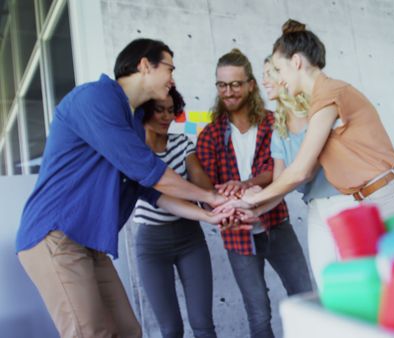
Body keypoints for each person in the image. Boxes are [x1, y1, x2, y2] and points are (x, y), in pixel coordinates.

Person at [15, 38, 234, 338]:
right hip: (55, 234)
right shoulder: (94, 99)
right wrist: (211, 197)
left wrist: (208, 216)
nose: (172, 79)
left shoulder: (130, 123)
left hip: (88, 242)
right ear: (145, 65)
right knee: (90, 332)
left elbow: (152, 192)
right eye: (169, 68)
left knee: (128, 331)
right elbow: (150, 172)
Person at [223, 19, 394, 230]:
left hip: (388, 196)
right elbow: (295, 175)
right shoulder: (321, 99)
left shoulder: (329, 95)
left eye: (279, 70)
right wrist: (256, 207)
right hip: (372, 199)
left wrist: (252, 199)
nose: (280, 80)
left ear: (296, 62)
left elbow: (300, 170)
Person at [196, 48, 312, 338]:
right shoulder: (209, 134)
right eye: (222, 85)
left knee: (304, 295)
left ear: (250, 84)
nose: (228, 91)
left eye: (235, 84)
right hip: (236, 233)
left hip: (277, 223)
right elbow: (207, 188)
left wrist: (244, 184)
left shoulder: (274, 121)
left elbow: (276, 170)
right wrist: (226, 198)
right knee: (259, 312)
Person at [133, 87, 222, 338]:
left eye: (171, 111)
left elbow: (200, 182)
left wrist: (220, 204)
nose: (166, 117)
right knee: (171, 329)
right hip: (152, 245)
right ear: (145, 113)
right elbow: (161, 195)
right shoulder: (135, 151)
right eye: (159, 110)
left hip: (189, 238)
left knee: (202, 323)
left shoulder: (182, 143)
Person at [261, 57, 357, 287]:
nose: (263, 81)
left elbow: (304, 172)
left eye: (268, 73)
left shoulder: (319, 113)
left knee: (355, 282)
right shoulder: (279, 130)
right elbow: (279, 185)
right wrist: (249, 210)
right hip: (316, 208)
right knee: (326, 286)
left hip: (345, 202)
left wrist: (252, 200)